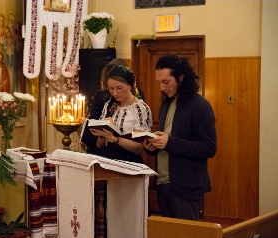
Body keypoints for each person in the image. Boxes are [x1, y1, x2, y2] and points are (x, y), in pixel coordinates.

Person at [143, 54, 217, 220]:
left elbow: (209, 147)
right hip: (163, 183)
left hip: (185, 185)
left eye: (166, 82)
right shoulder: (166, 103)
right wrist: (153, 147)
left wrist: (169, 142)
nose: (162, 87)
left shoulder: (200, 106)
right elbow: (167, 139)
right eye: (159, 83)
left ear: (181, 77)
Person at [88, 65, 152, 164]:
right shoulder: (109, 105)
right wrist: (102, 131)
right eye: (111, 88)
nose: (115, 93)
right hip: (108, 160)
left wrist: (113, 137)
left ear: (131, 86)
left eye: (119, 88)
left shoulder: (140, 108)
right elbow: (99, 145)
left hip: (129, 162)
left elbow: (139, 148)